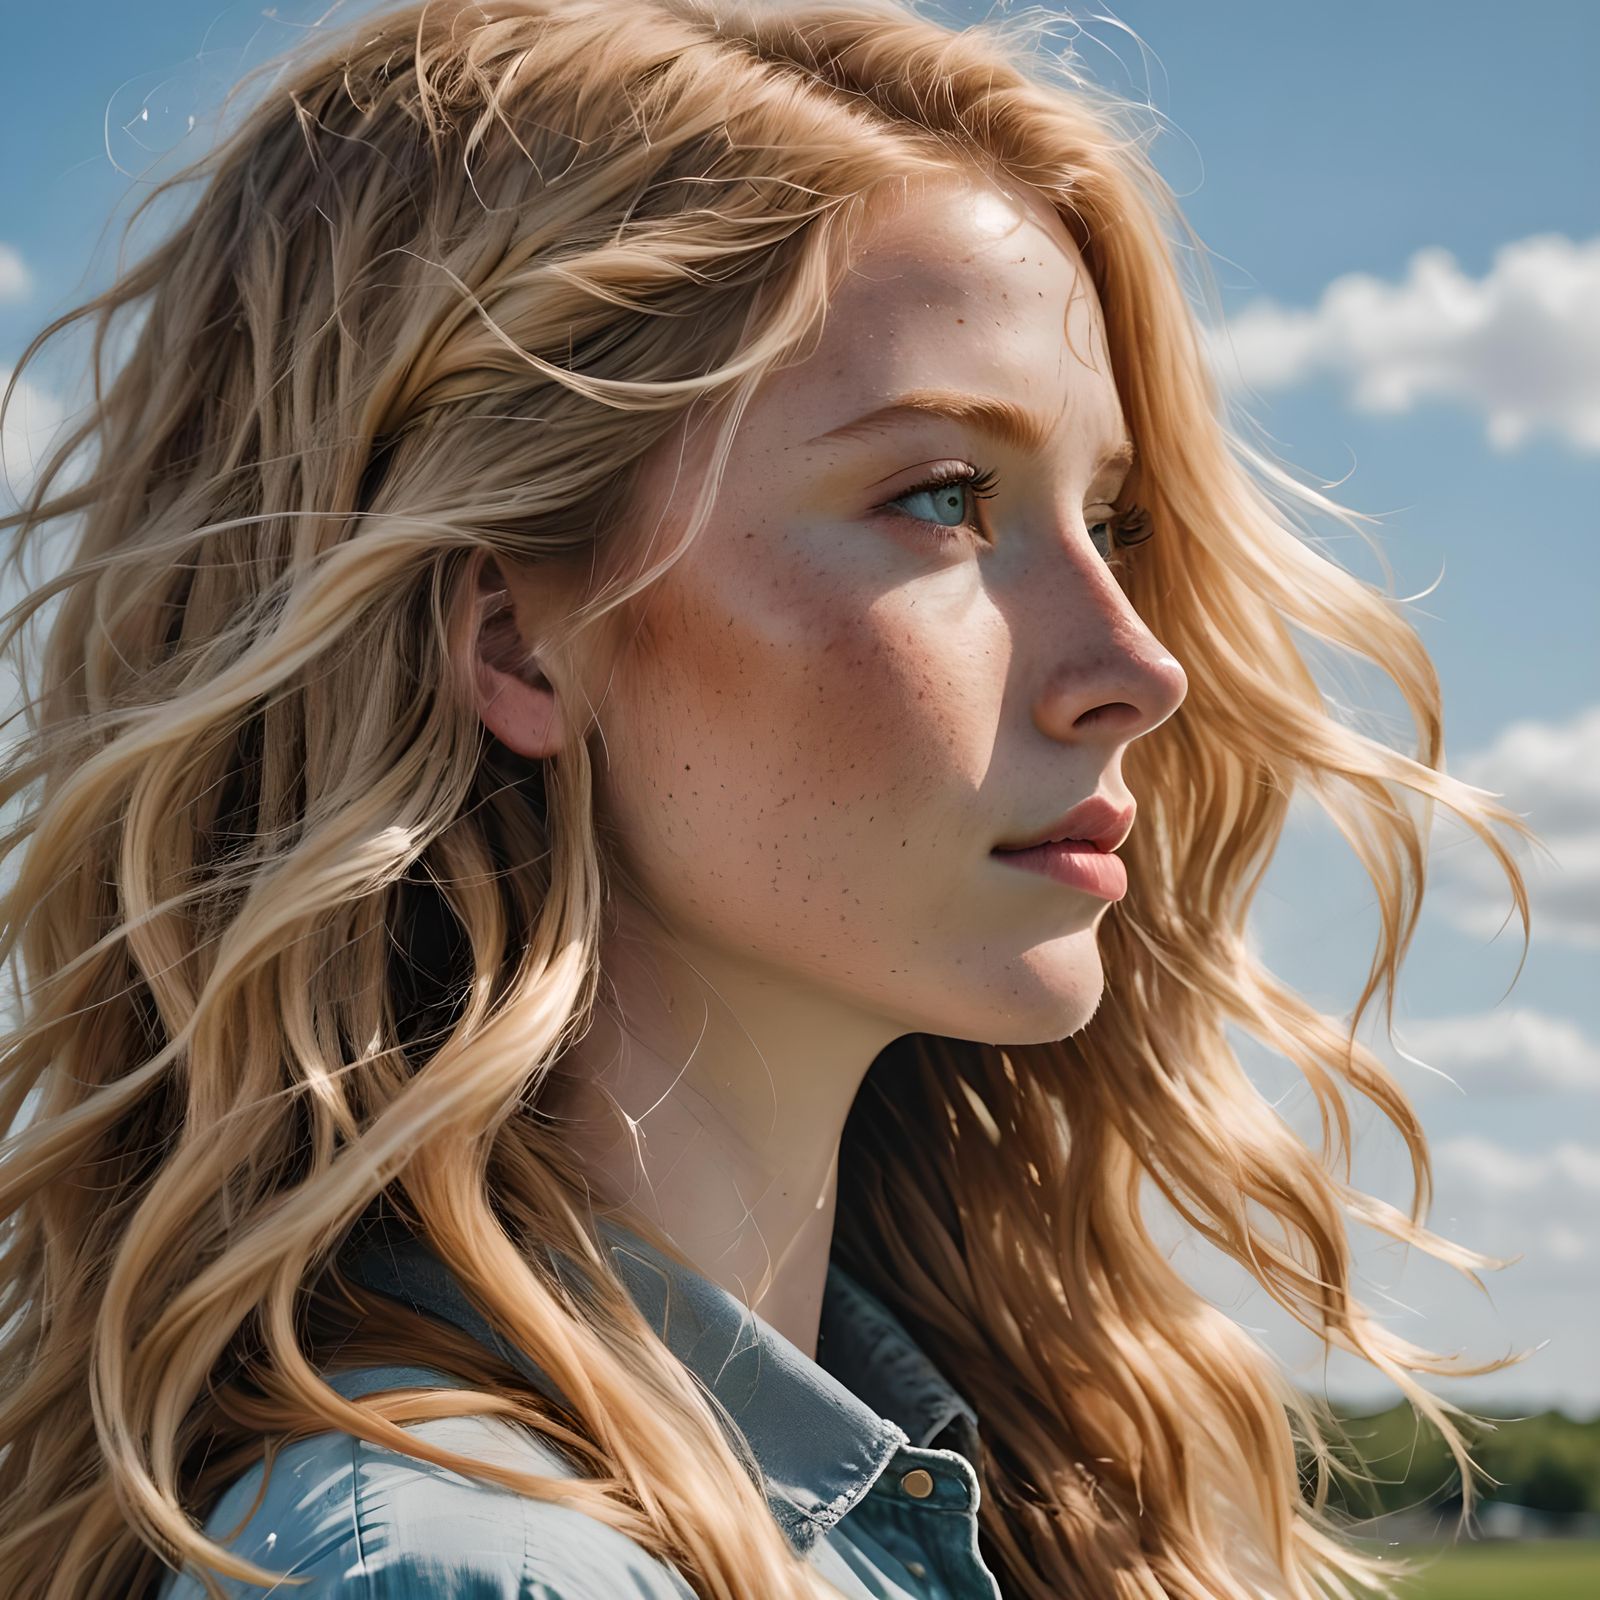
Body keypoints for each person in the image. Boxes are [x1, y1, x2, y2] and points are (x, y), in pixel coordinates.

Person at [0, 1, 1540, 1596]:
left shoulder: (942, 1482)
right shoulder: (471, 1570)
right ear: (520, 639)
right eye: (944, 499)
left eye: (1115, 520)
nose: (1138, 666)